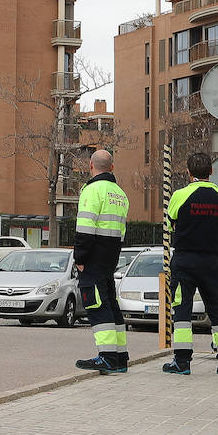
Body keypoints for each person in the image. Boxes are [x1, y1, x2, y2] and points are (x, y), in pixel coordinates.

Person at [161, 153, 218, 376]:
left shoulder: (179, 195)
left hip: (185, 259)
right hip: (211, 260)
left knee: (182, 308)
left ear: (188, 172)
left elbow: (170, 222)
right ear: (211, 172)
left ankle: (182, 361)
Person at [73, 150, 131, 374]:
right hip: (110, 255)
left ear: (90, 165)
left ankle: (107, 357)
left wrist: (80, 257)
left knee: (97, 304)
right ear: (112, 167)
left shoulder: (91, 190)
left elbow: (85, 228)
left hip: (93, 256)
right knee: (110, 304)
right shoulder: (120, 194)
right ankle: (120, 357)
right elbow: (122, 232)